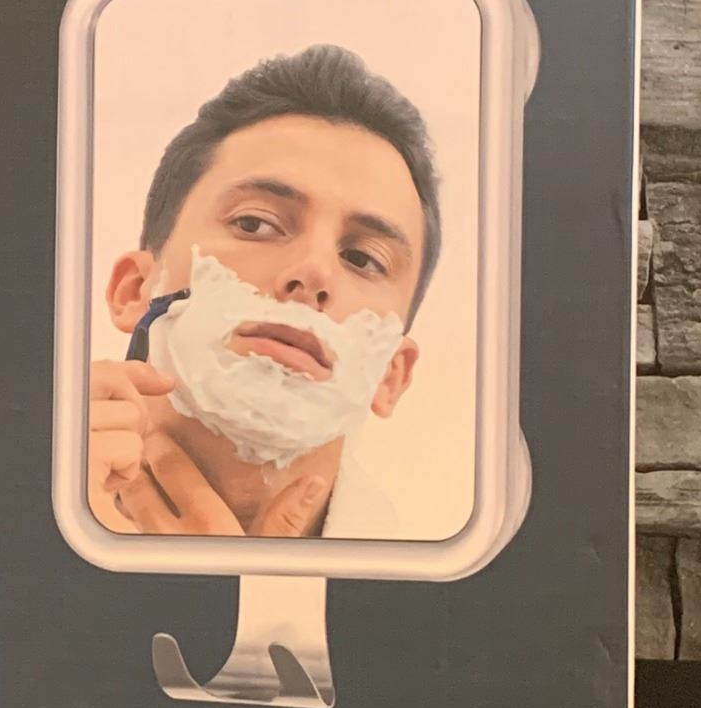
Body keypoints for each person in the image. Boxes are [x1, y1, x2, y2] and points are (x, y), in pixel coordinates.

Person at [89, 43, 442, 539]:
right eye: (255, 223)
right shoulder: (19, 492)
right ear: (134, 291)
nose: (314, 272)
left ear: (391, 375)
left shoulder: (448, 577)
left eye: (362, 259)